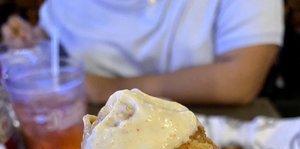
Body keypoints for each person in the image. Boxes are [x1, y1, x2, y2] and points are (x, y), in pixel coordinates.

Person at [2, 0, 284, 105]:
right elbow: (55, 41)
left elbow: (241, 81)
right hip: (96, 143)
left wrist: (109, 89)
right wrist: (32, 45)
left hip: (215, 128)